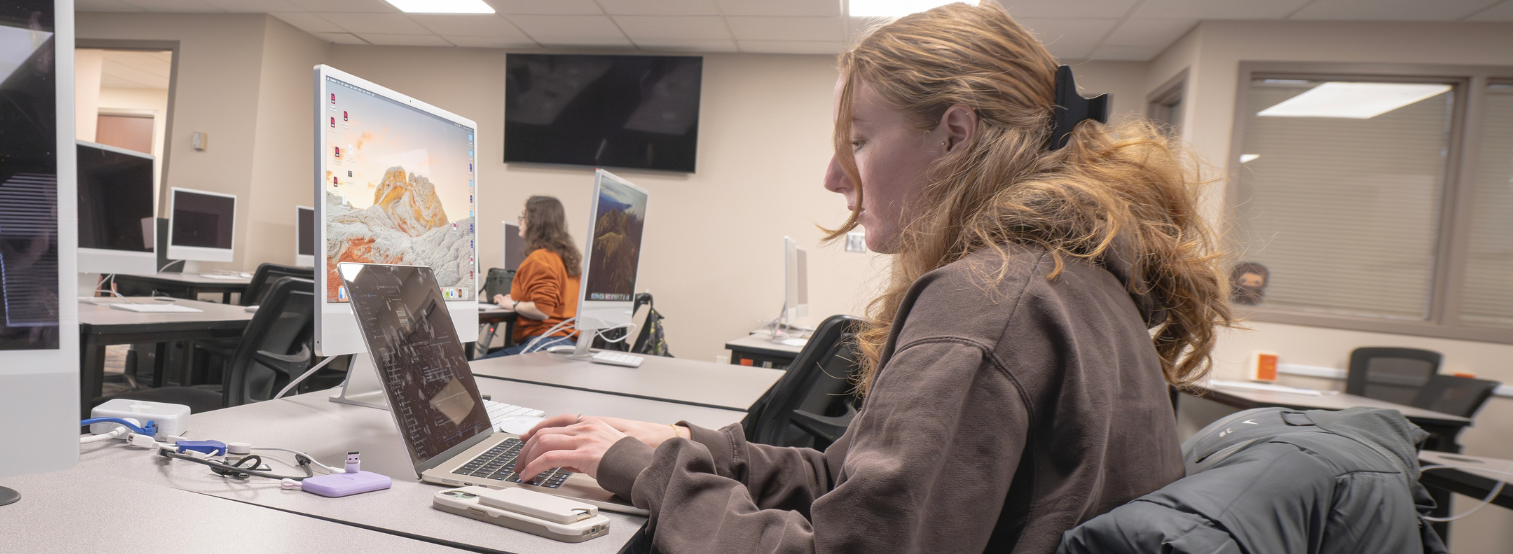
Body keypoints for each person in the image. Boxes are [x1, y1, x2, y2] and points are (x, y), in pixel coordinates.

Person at [510, 3, 1236, 553]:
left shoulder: (989, 303)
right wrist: (682, 445)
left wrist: (650, 474)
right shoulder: (1067, 281)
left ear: (955, 134)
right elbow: (851, 484)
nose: (834, 176)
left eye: (857, 140)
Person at [484, 196, 581, 359]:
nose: (520, 221)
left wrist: (513, 304)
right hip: (567, 344)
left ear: (536, 222)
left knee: (473, 371)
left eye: (523, 216)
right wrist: (518, 301)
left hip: (545, 343)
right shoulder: (567, 260)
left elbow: (543, 310)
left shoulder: (540, 258)